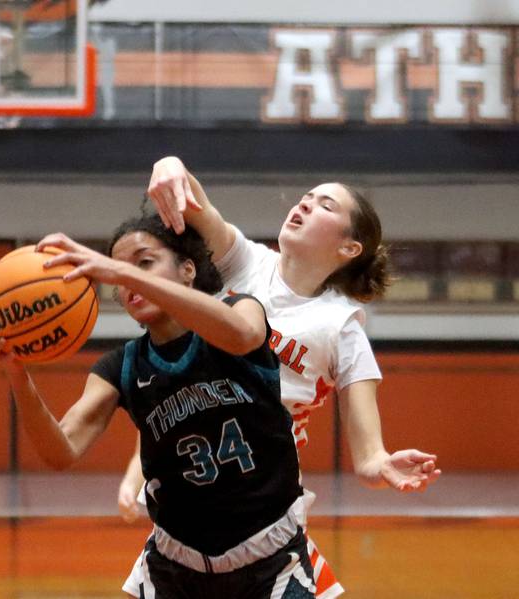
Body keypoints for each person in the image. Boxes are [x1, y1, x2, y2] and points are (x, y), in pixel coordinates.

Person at [118, 156, 442, 598]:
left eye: (325, 205)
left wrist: (382, 465)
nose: (306, 204)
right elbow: (198, 206)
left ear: (349, 248)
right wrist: (171, 165)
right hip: (189, 486)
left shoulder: (341, 327)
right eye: (306, 197)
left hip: (258, 497)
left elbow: (368, 457)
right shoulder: (247, 263)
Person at [0, 214, 317, 598]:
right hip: (175, 567)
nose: (126, 279)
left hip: (271, 561)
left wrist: (120, 271)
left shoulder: (241, 307)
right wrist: (17, 374)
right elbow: (61, 450)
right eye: (121, 274)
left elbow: (244, 336)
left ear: (188, 270)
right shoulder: (120, 366)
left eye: (145, 262)